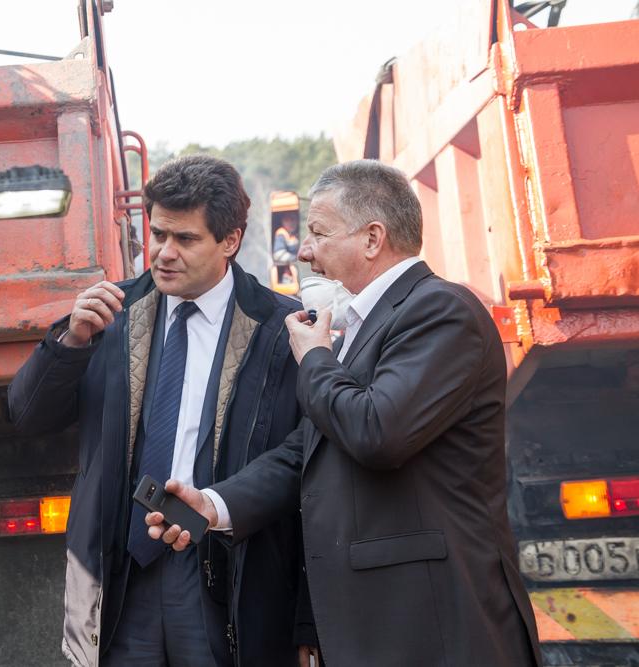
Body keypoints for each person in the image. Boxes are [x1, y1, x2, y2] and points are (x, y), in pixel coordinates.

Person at [147, 159, 543, 666]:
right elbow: (306, 453)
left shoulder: (441, 311)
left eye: (317, 233)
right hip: (380, 621)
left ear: (373, 239)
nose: (306, 250)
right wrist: (213, 505)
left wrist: (313, 357)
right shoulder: (369, 321)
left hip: (430, 623)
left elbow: (377, 431)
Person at [9, 155, 306, 666]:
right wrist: (69, 343)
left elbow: (301, 464)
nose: (164, 253)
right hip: (122, 574)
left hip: (224, 573)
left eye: (185, 239)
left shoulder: (279, 330)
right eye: (158, 234)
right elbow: (28, 415)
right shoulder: (110, 315)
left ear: (230, 241)